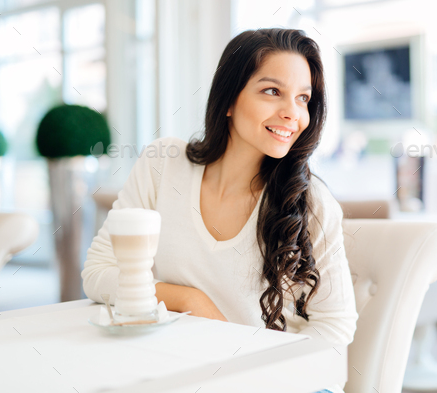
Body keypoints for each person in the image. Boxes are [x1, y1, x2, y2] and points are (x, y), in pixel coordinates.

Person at [82, 28, 358, 393]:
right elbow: (98, 273)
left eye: (303, 98)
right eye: (272, 91)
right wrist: (188, 299)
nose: (292, 113)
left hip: (282, 381)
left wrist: (257, 377)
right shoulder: (163, 165)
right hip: (189, 369)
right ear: (228, 99)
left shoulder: (312, 202)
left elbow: (334, 328)